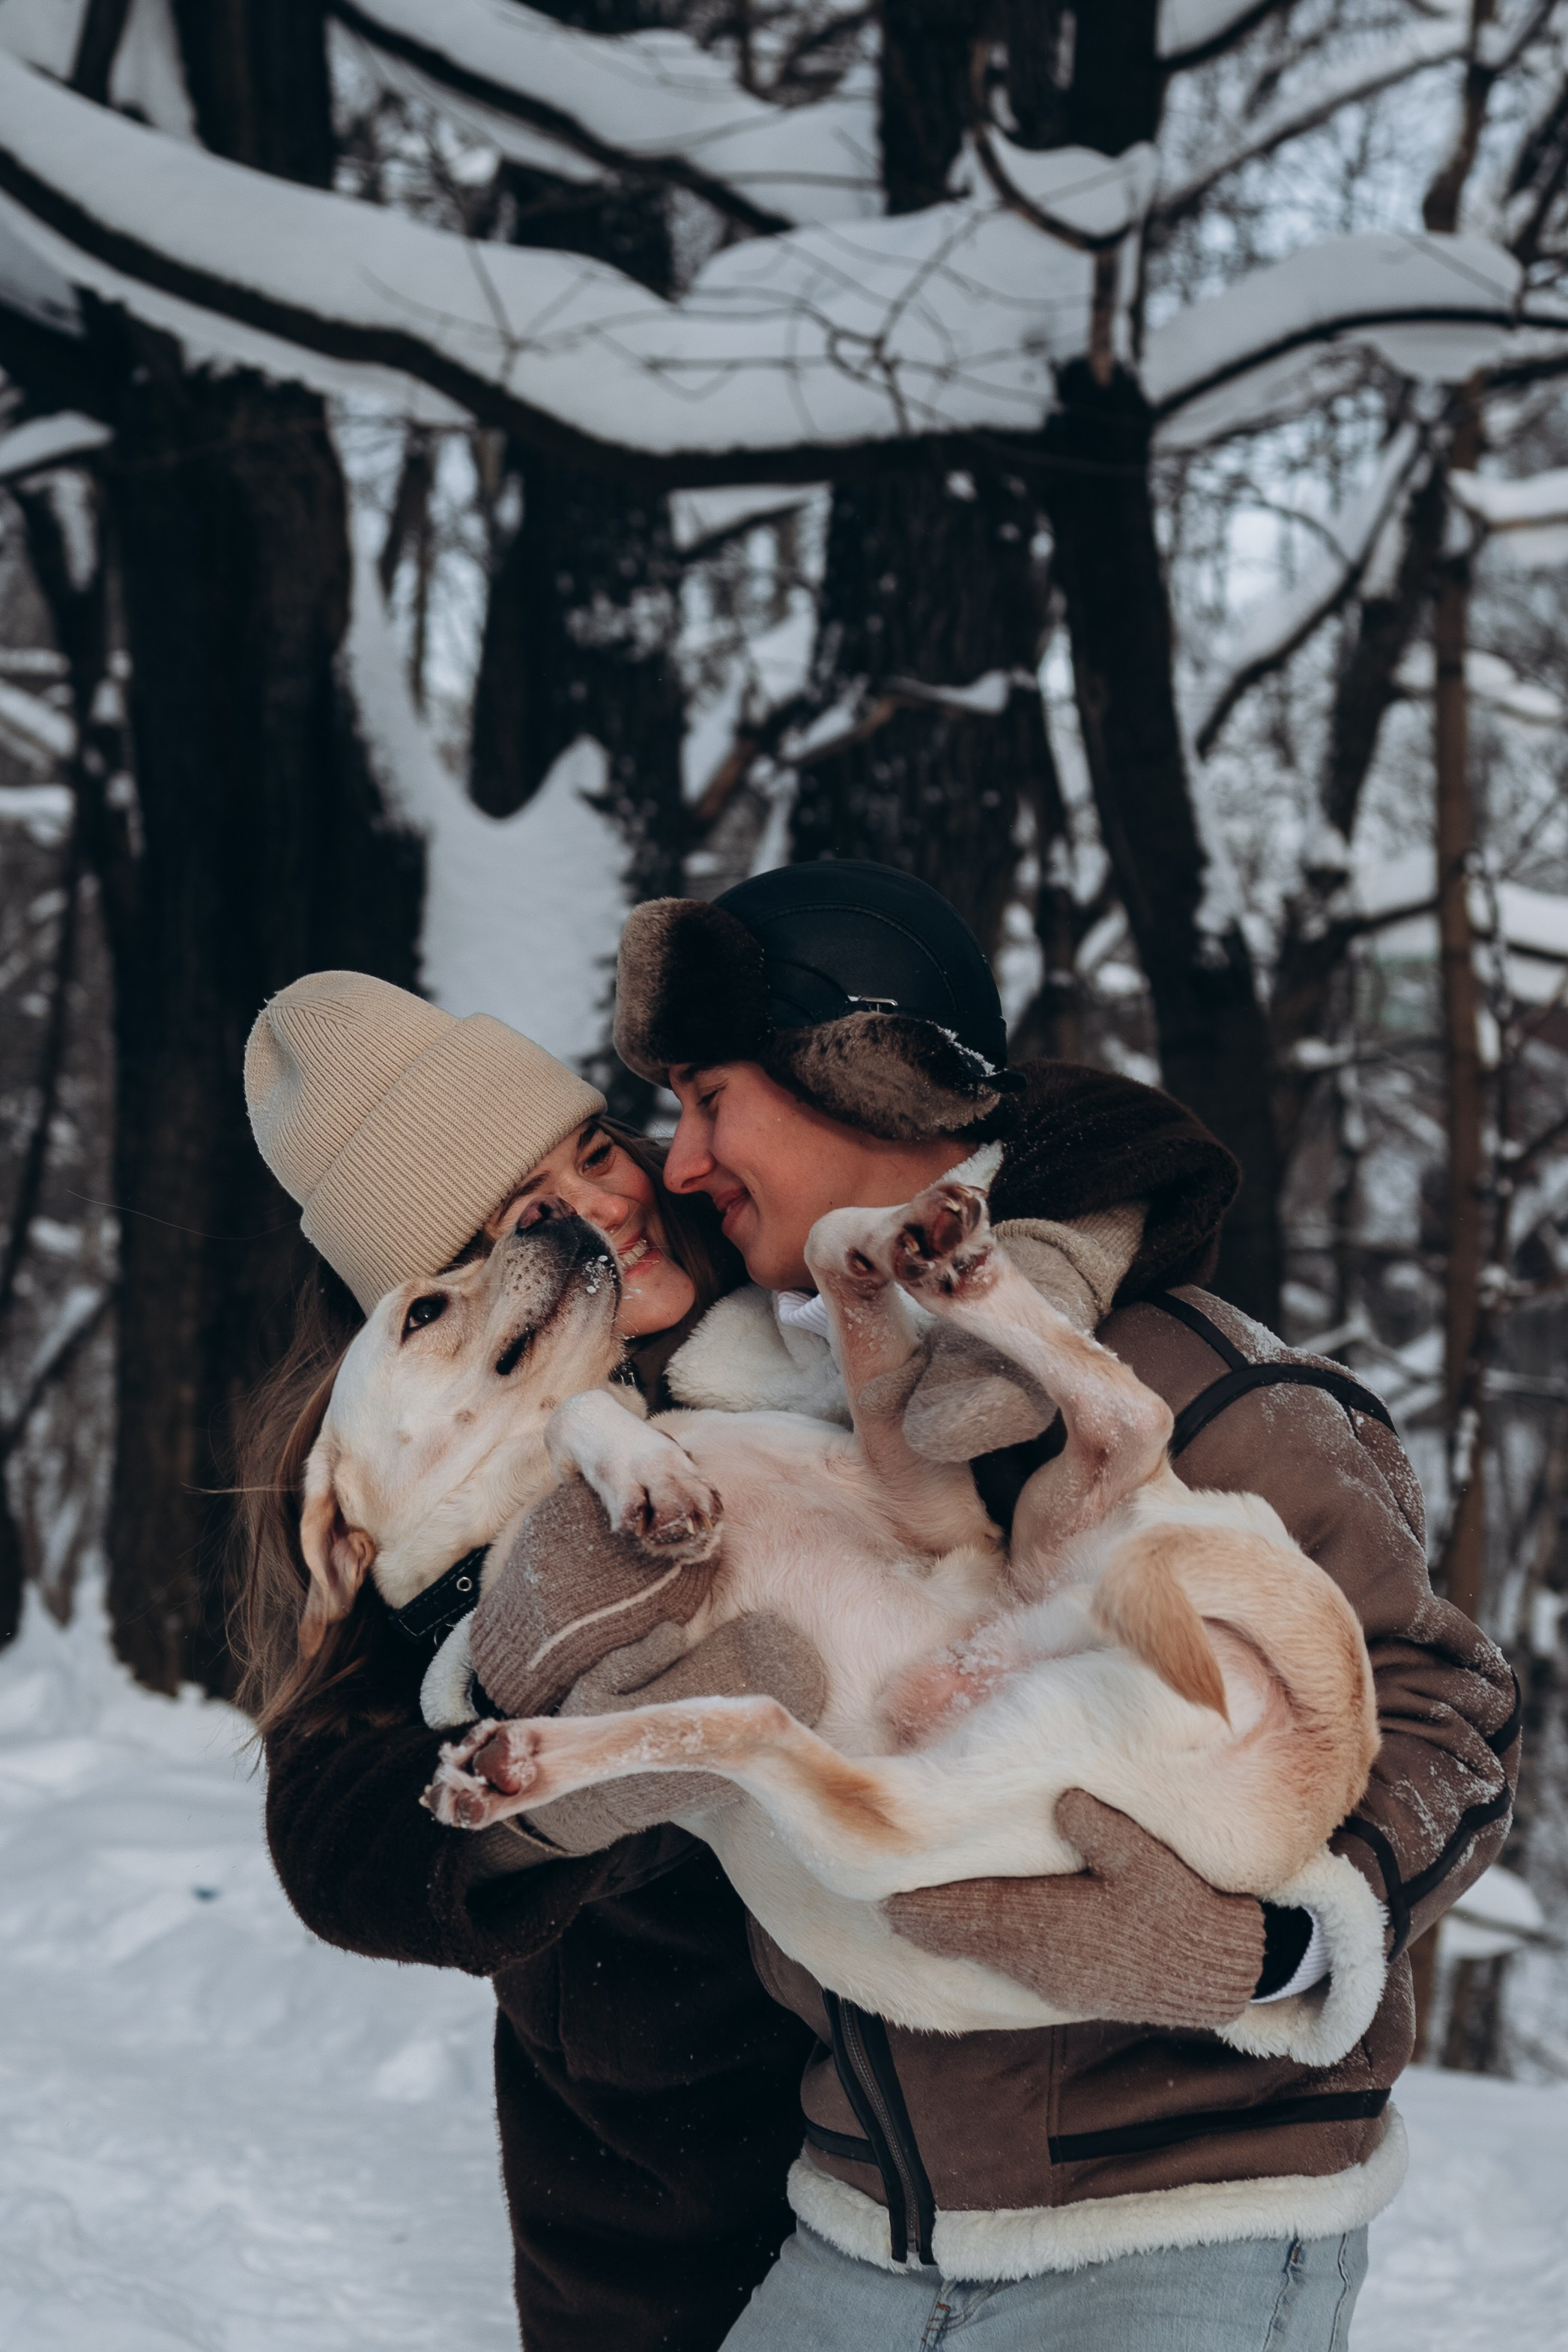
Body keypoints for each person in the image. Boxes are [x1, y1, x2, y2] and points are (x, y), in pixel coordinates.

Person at [569, 858, 1518, 2349]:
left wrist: (1271, 1946)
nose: (681, 1162)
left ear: (859, 1079)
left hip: (1185, 2232)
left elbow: (1450, 1711)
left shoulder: (1193, 1371)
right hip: (859, 2221)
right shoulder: (746, 1414)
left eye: (709, 1099)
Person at [236, 948, 1241, 2352]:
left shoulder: (797, 1271)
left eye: (595, 1149)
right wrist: (543, 1760)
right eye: (528, 1213)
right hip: (669, 2201)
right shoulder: (417, 1498)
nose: (602, 1213)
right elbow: (337, 1828)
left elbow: (1096, 1134)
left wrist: (1052, 1239)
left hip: (994, 2152)